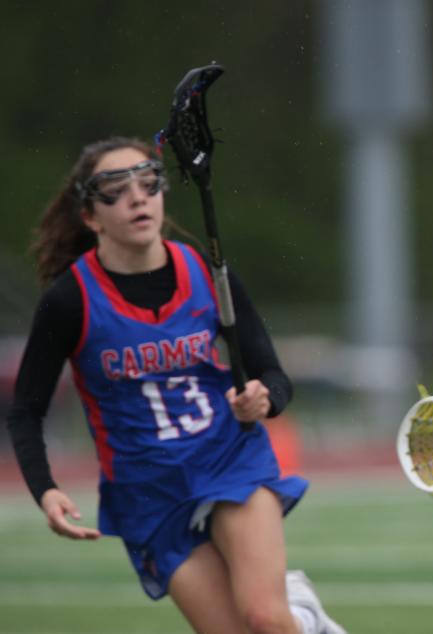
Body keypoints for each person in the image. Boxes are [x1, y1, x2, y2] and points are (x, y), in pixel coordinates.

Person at [6, 137, 347, 634]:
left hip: (228, 460)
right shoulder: (70, 300)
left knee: (265, 619)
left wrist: (263, 399)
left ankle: (294, 612)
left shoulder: (209, 275)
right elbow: (26, 410)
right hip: (147, 491)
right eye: (116, 191)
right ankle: (304, 616)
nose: (138, 198)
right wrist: (45, 490)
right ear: (90, 217)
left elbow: (273, 377)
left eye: (148, 184)